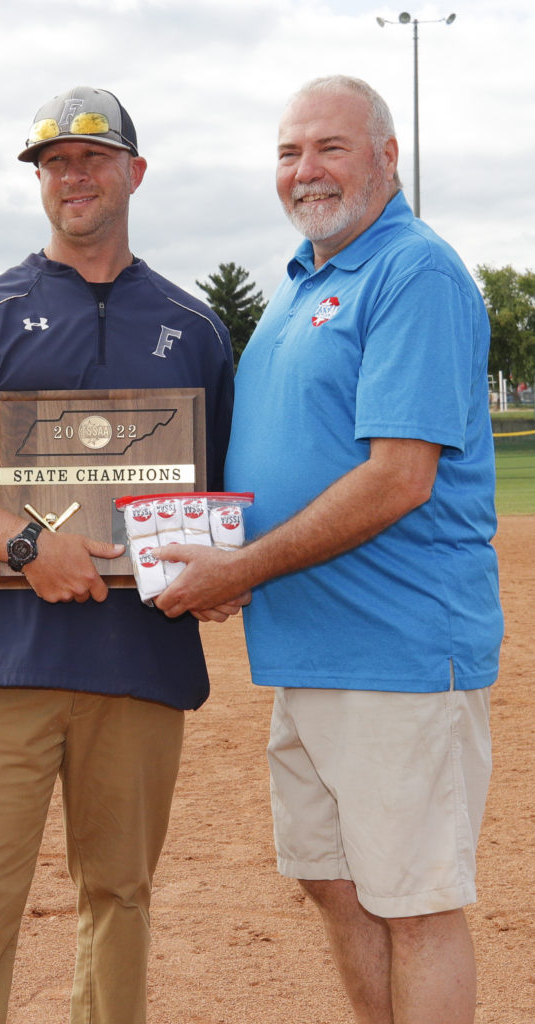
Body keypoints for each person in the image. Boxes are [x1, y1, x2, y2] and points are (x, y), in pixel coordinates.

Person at [0, 86, 235, 1024]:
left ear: (133, 173)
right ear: (40, 184)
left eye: (92, 158)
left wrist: (226, 561)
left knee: (120, 901)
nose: (72, 177)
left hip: (140, 662)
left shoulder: (195, 328)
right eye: (53, 164)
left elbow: (224, 489)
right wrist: (26, 542)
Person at [154, 76, 502, 1024]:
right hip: (309, 645)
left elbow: (399, 476)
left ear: (388, 158)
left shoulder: (410, 271)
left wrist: (242, 569)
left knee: (415, 902)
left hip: (396, 648)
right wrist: (211, 545)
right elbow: (285, 450)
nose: (305, 170)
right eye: (287, 152)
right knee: (334, 884)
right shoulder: (301, 280)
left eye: (330, 148)